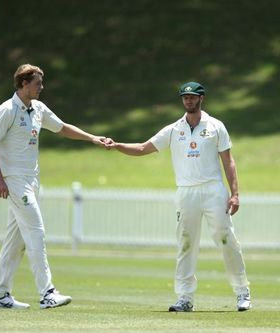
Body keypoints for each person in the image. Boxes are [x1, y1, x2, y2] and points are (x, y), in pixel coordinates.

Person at [105, 82, 251, 312]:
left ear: (201, 99)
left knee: (226, 238)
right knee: (185, 243)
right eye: (185, 98)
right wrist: (117, 145)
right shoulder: (174, 129)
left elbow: (228, 161)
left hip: (213, 189)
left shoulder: (215, 126)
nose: (189, 101)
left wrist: (235, 194)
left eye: (193, 97)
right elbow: (144, 148)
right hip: (186, 192)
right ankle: (185, 298)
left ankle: (242, 291)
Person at [0, 64, 109, 309]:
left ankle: (1, 296)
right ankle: (47, 293)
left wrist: (92, 138)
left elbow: (62, 128)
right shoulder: (7, 109)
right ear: (23, 84)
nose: (42, 87)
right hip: (14, 181)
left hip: (32, 181)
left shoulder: (38, 108)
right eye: (37, 83)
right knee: (36, 231)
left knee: (15, 241)